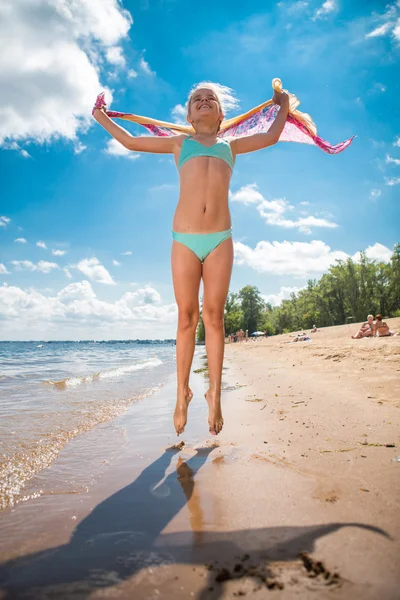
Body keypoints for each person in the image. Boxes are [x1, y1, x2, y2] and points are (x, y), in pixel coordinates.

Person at [93, 83, 290, 436]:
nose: (203, 102)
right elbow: (131, 141)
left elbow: (272, 135)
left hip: (220, 239)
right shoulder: (178, 144)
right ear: (188, 115)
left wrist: (283, 104)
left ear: (220, 114)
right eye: (196, 100)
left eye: (209, 99)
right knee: (186, 317)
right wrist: (99, 117)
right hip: (183, 240)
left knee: (214, 317)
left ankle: (214, 394)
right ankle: (181, 394)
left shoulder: (231, 146)